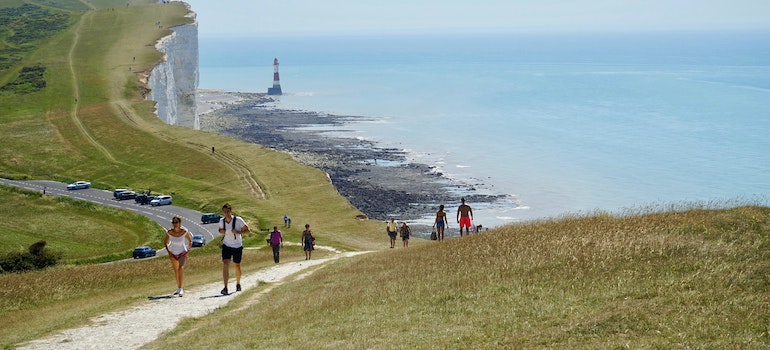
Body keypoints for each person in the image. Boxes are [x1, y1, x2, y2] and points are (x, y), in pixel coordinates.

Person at [218, 203, 250, 295]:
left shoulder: (238, 220)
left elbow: (247, 230)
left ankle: (238, 283)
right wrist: (222, 231)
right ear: (223, 212)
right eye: (224, 212)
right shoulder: (222, 221)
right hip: (226, 245)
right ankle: (225, 287)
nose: (226, 213)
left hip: (237, 245)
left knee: (237, 265)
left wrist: (238, 232)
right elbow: (219, 230)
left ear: (230, 211)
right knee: (225, 263)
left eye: (228, 211)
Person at [165, 216, 193, 296]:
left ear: (180, 223)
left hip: (182, 253)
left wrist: (188, 251)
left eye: (176, 222)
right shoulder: (169, 232)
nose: (175, 224)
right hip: (173, 253)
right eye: (173, 222)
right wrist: (169, 252)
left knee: (181, 268)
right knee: (176, 271)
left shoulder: (184, 231)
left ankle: (181, 289)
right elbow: (166, 242)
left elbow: (190, 241)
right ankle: (178, 287)